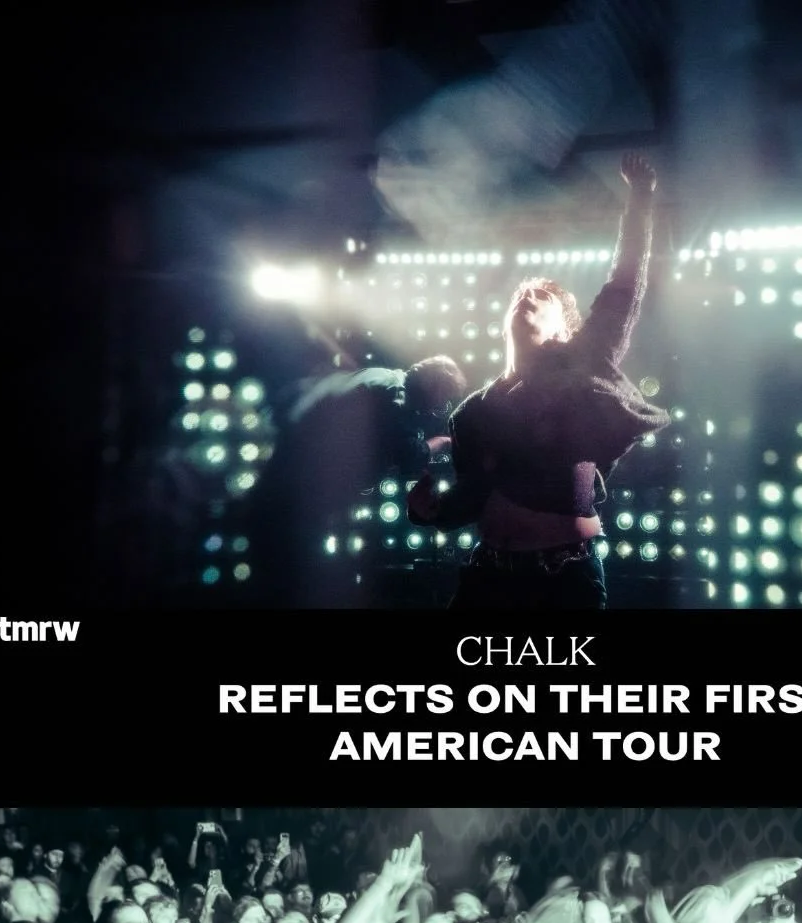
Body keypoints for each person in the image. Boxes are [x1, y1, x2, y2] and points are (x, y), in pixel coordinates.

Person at [407, 152, 671, 610]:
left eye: (542, 298)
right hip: (487, 576)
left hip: (563, 577)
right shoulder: (472, 411)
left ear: (562, 330)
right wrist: (429, 512)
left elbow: (624, 286)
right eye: (520, 295)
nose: (527, 297)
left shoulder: (581, 364)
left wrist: (640, 199)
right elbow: (471, 497)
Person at [246, 354, 467, 606]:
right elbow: (409, 455)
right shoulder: (396, 398)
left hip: (288, 470)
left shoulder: (382, 376)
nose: (440, 406)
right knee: (290, 571)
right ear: (433, 387)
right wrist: (443, 442)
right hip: (299, 487)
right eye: (444, 397)